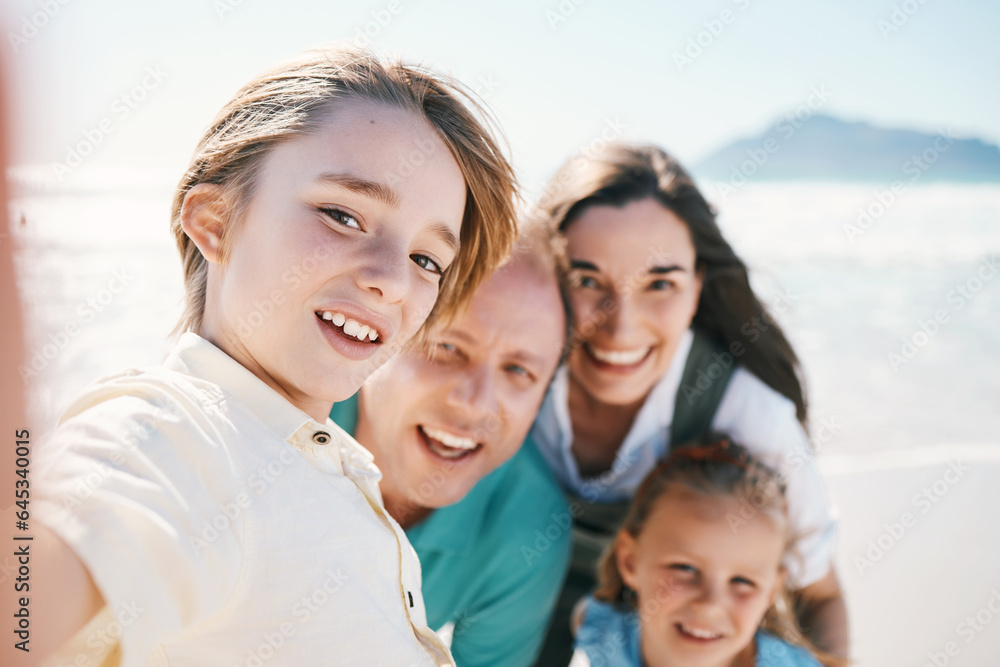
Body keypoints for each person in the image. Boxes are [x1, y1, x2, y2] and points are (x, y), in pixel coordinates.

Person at [32, 47, 518, 666]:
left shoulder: (320, 466)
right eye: (343, 216)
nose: (394, 281)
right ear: (214, 221)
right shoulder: (184, 438)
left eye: (428, 260)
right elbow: (30, 606)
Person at [530, 144, 848, 665]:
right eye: (587, 280)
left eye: (660, 283)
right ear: (544, 275)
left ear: (697, 288)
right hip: (515, 597)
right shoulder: (504, 365)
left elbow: (820, 593)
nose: (622, 326)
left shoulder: (748, 415)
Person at [330, 219, 574, 666]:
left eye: (520, 371)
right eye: (446, 348)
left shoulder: (526, 526)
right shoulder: (271, 421)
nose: (477, 405)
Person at [570, 436, 835, 667]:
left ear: (772, 591)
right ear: (629, 561)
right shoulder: (607, 634)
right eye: (685, 568)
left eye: (743, 581)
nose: (710, 605)